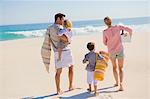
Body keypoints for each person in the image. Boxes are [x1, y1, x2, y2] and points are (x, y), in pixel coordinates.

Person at [41, 13, 74, 95]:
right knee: (71, 68)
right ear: (58, 19)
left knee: (58, 71)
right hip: (66, 50)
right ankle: (70, 86)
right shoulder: (60, 28)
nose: (63, 21)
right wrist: (69, 40)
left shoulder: (50, 28)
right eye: (62, 19)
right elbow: (66, 39)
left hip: (56, 51)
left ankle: (58, 90)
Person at [103, 16, 132, 91]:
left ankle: (116, 82)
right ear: (111, 21)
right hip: (120, 50)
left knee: (114, 67)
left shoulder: (105, 32)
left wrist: (110, 43)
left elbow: (104, 43)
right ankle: (121, 84)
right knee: (121, 68)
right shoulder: (118, 27)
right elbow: (130, 30)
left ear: (105, 23)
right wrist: (129, 37)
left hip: (111, 51)